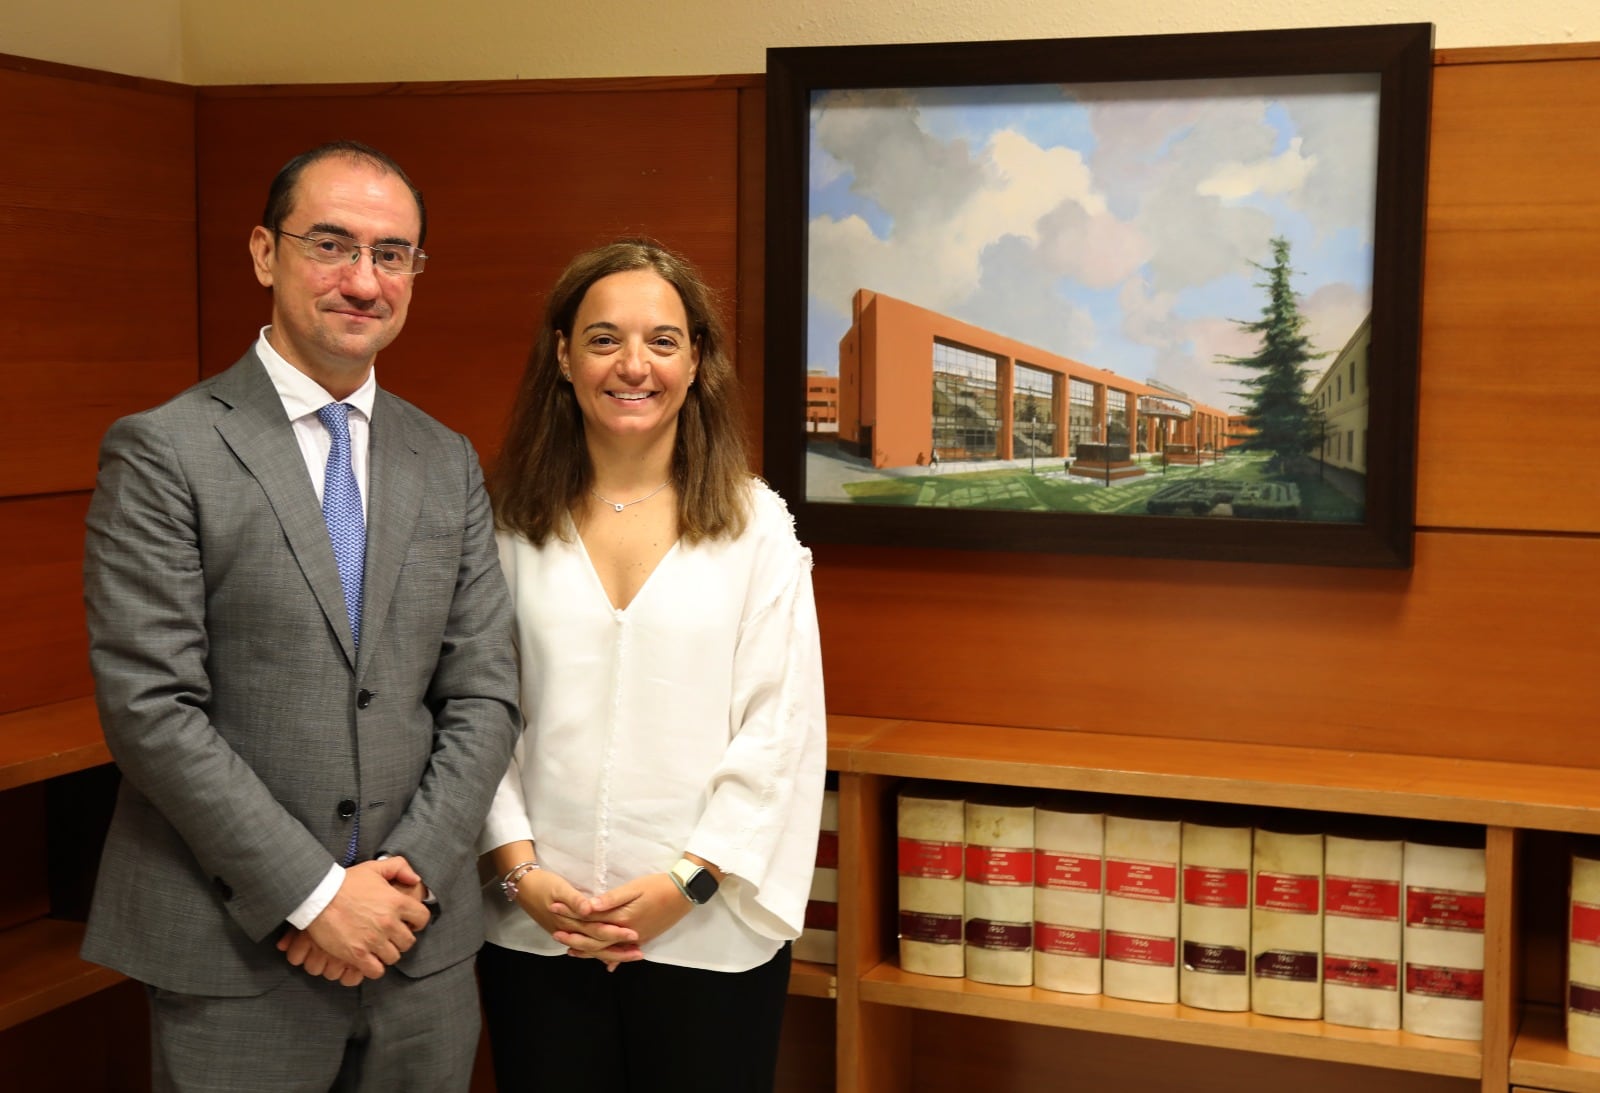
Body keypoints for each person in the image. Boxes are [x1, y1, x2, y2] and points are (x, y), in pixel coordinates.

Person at [80, 140, 521, 1092]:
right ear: (263, 254)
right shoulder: (166, 451)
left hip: (418, 951)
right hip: (233, 949)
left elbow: (484, 693)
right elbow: (150, 709)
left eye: (392, 254)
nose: (364, 280)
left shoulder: (446, 460)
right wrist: (317, 895)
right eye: (332, 244)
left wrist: (401, 885)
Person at [478, 238, 827, 1092]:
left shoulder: (757, 527)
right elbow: (469, 709)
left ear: (697, 359)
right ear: (562, 356)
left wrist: (687, 884)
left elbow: (780, 729)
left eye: (663, 341)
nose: (634, 365)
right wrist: (519, 869)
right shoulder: (504, 524)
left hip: (707, 931)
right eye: (603, 338)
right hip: (536, 926)